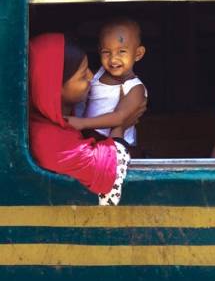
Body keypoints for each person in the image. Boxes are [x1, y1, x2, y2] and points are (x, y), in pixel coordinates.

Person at [28, 33, 146, 205]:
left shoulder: (63, 115)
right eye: (83, 75)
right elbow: (108, 176)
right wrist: (121, 125)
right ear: (54, 89)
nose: (92, 77)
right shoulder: (50, 142)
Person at [68, 18, 148, 149]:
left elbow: (119, 118)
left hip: (117, 143)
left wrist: (82, 123)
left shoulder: (135, 88)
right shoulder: (96, 75)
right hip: (89, 137)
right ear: (99, 51)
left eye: (121, 51)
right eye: (106, 52)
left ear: (138, 54)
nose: (113, 59)